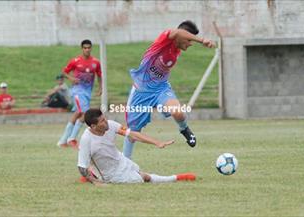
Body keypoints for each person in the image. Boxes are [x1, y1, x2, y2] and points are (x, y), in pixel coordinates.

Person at [123, 20, 215, 158]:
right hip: (141, 91)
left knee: (177, 112)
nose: (191, 44)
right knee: (133, 132)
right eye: (189, 40)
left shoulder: (177, 50)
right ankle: (125, 162)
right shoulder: (164, 40)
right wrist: (202, 40)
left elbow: (180, 35)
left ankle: (184, 129)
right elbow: (177, 32)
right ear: (182, 36)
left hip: (161, 89)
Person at [78, 108, 196, 185]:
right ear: (93, 126)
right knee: (143, 179)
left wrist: (157, 142)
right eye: (102, 121)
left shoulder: (111, 125)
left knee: (141, 173)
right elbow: (81, 167)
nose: (106, 122)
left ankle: (175, 177)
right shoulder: (86, 140)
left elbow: (133, 134)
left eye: (105, 118)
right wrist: (96, 183)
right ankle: (176, 178)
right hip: (110, 173)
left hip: (121, 160)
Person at [57, 39, 102, 148]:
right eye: (85, 48)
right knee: (85, 113)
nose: (87, 50)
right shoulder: (75, 61)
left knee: (78, 113)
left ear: (91, 48)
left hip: (87, 92)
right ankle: (71, 139)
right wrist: (71, 78)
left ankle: (63, 140)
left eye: (89, 48)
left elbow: (100, 76)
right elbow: (64, 72)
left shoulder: (95, 62)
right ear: (82, 49)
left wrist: (101, 88)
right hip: (77, 91)